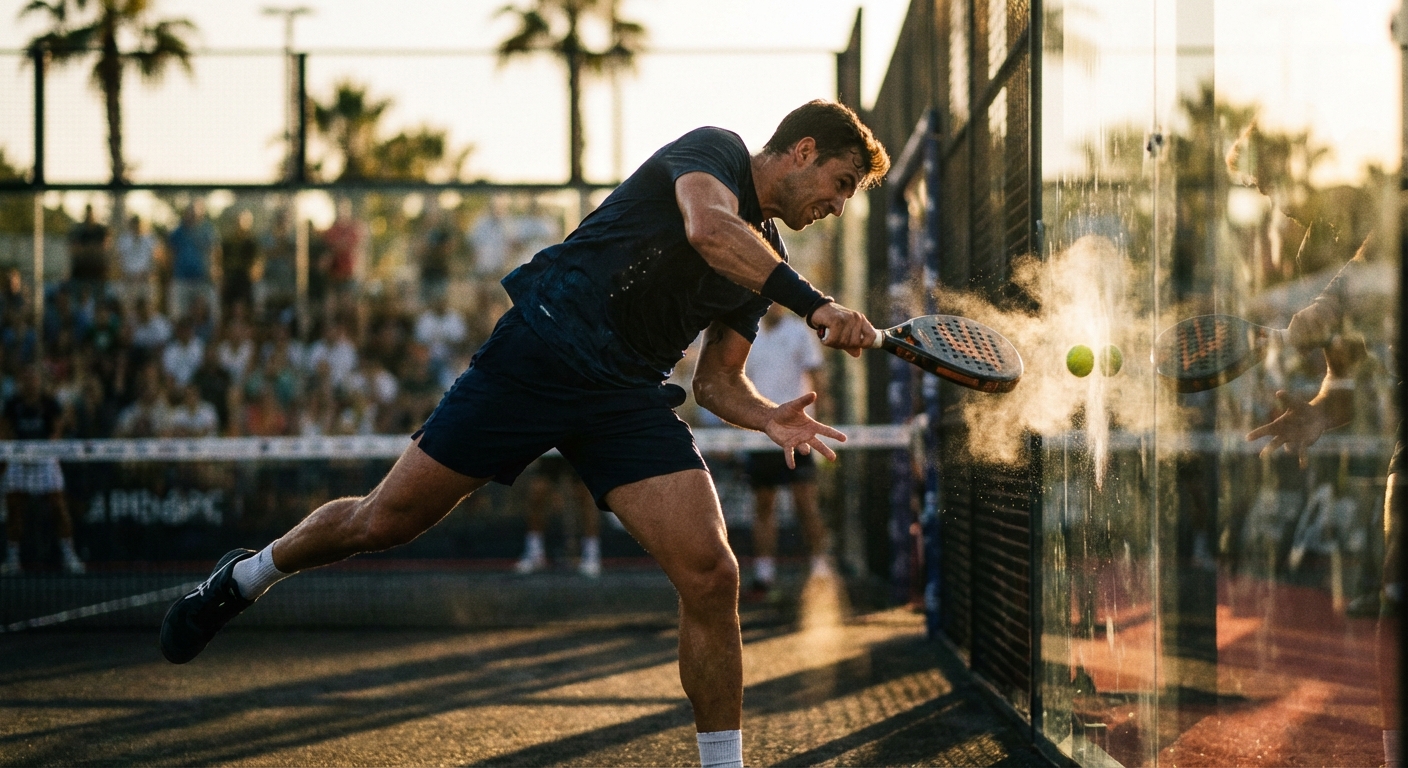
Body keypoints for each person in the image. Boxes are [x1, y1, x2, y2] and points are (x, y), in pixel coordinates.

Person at [158, 99, 889, 768]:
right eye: (843, 181)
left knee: (713, 573)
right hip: (537, 353)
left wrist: (768, 415)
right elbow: (706, 228)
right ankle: (245, 577)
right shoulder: (715, 152)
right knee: (382, 521)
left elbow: (715, 382)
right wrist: (816, 305)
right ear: (801, 150)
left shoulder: (769, 263)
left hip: (623, 397)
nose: (839, 203)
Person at [741, 301, 833, 597]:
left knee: (805, 503)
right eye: (766, 299)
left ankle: (820, 570)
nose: (774, 305)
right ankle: (764, 575)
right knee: (764, 504)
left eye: (778, 299)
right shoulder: (746, 335)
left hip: (799, 432)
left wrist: (824, 418)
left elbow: (818, 379)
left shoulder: (798, 333)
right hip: (761, 435)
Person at [1, 366, 84, 576]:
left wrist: (41, 452)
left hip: (45, 460)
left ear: (39, 381)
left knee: (58, 506)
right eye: (26, 379)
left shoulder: (49, 404)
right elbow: (5, 431)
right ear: (22, 382)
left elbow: (56, 431)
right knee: (15, 510)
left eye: (34, 379)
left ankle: (69, 555)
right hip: (19, 461)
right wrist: (21, 454)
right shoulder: (13, 405)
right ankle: (12, 558)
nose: (31, 383)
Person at [513, 456, 603, 578]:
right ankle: (535, 553)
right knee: (537, 492)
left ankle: (591, 554)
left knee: (585, 495)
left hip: (577, 444)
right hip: (552, 448)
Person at [167, 201, 220, 323]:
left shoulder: (208, 231)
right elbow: (171, 255)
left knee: (212, 313)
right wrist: (171, 275)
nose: (192, 215)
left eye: (195, 213)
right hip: (182, 279)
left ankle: (209, 338)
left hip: (203, 279)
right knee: (178, 314)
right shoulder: (177, 232)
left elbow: (215, 253)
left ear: (202, 213)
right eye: (189, 212)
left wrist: (215, 272)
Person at [67, 203, 108, 301]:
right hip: (80, 273)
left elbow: (104, 248)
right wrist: (92, 248)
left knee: (99, 302)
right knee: (77, 301)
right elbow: (74, 249)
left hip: (98, 273)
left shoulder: (101, 230)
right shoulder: (78, 230)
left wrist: (85, 248)